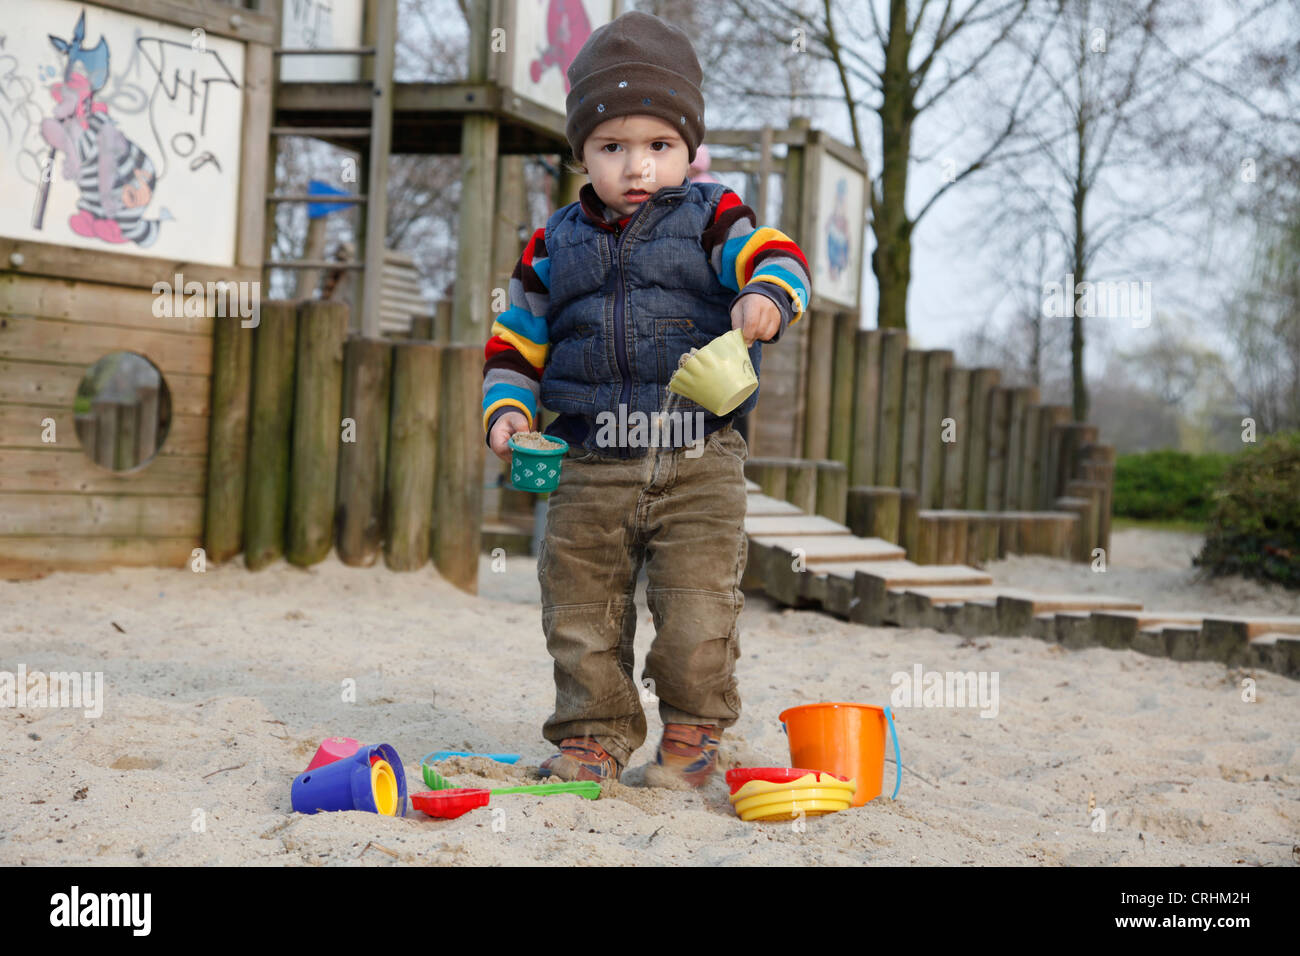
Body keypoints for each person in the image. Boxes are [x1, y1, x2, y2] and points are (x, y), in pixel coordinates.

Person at [481, 11, 811, 788]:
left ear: (687, 148)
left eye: (659, 146)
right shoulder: (551, 244)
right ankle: (593, 735)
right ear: (582, 153)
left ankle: (693, 736)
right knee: (580, 611)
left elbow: (779, 254)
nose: (638, 167)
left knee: (696, 612)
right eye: (613, 147)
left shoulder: (712, 217)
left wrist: (768, 292)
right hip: (588, 460)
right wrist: (507, 410)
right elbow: (516, 343)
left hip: (698, 456)